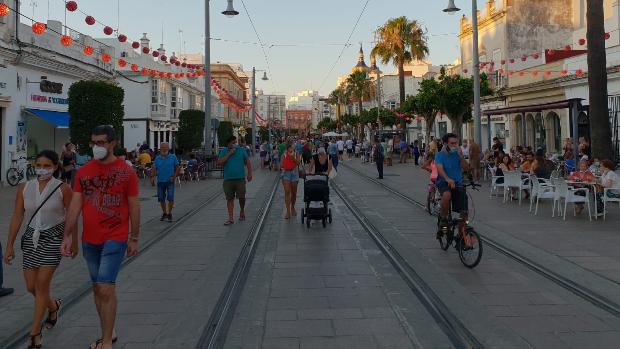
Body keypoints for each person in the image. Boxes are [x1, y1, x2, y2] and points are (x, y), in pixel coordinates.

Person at [61, 126, 140, 349]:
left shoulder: (127, 172)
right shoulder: (84, 172)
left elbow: (134, 206)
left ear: (113, 143)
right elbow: (75, 204)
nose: (97, 147)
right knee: (97, 287)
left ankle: (106, 342)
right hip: (90, 239)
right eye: (94, 143)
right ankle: (109, 329)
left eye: (102, 142)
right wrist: (67, 235)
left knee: (106, 287)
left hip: (115, 237)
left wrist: (134, 237)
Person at [4, 150, 76, 349]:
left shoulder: (63, 188)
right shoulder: (24, 188)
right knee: (30, 287)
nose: (41, 169)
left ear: (55, 167)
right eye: (39, 165)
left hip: (53, 239)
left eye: (46, 165)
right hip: (31, 240)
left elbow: (72, 215)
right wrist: (9, 245)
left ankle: (35, 334)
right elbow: (17, 216)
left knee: (42, 285)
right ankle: (53, 307)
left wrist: (73, 240)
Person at [435, 133, 470, 236]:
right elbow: (439, 169)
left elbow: (467, 168)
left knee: (464, 212)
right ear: (445, 144)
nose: (454, 145)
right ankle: (443, 218)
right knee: (447, 195)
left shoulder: (457, 155)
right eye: (452, 143)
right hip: (444, 183)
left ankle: (461, 236)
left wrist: (461, 156)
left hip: (458, 183)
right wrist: (447, 179)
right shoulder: (439, 155)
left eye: (456, 143)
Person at [217, 136, 253, 225]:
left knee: (242, 197)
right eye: (233, 143)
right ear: (228, 143)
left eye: (235, 142)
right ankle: (230, 218)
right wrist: (229, 154)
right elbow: (219, 162)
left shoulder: (241, 150)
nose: (234, 144)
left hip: (240, 178)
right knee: (229, 199)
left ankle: (242, 211)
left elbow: (247, 161)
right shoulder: (224, 151)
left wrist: (249, 173)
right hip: (228, 179)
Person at [151, 143, 180, 222]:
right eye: (162, 147)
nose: (163, 149)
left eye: (165, 147)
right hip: (160, 181)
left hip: (170, 181)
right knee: (161, 198)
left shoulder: (173, 157)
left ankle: (169, 213)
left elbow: (177, 167)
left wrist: (174, 176)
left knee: (170, 197)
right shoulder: (157, 158)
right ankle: (164, 213)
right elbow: (154, 168)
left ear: (168, 148)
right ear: (160, 149)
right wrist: (152, 177)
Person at [281, 143, 301, 219]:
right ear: (288, 147)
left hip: (294, 173)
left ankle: (292, 207)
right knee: (287, 191)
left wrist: (293, 159)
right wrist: (285, 165)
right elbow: (281, 165)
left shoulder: (296, 153)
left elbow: (298, 163)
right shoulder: (284, 154)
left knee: (294, 192)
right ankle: (288, 211)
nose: (292, 147)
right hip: (286, 173)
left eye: (293, 146)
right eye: (290, 146)